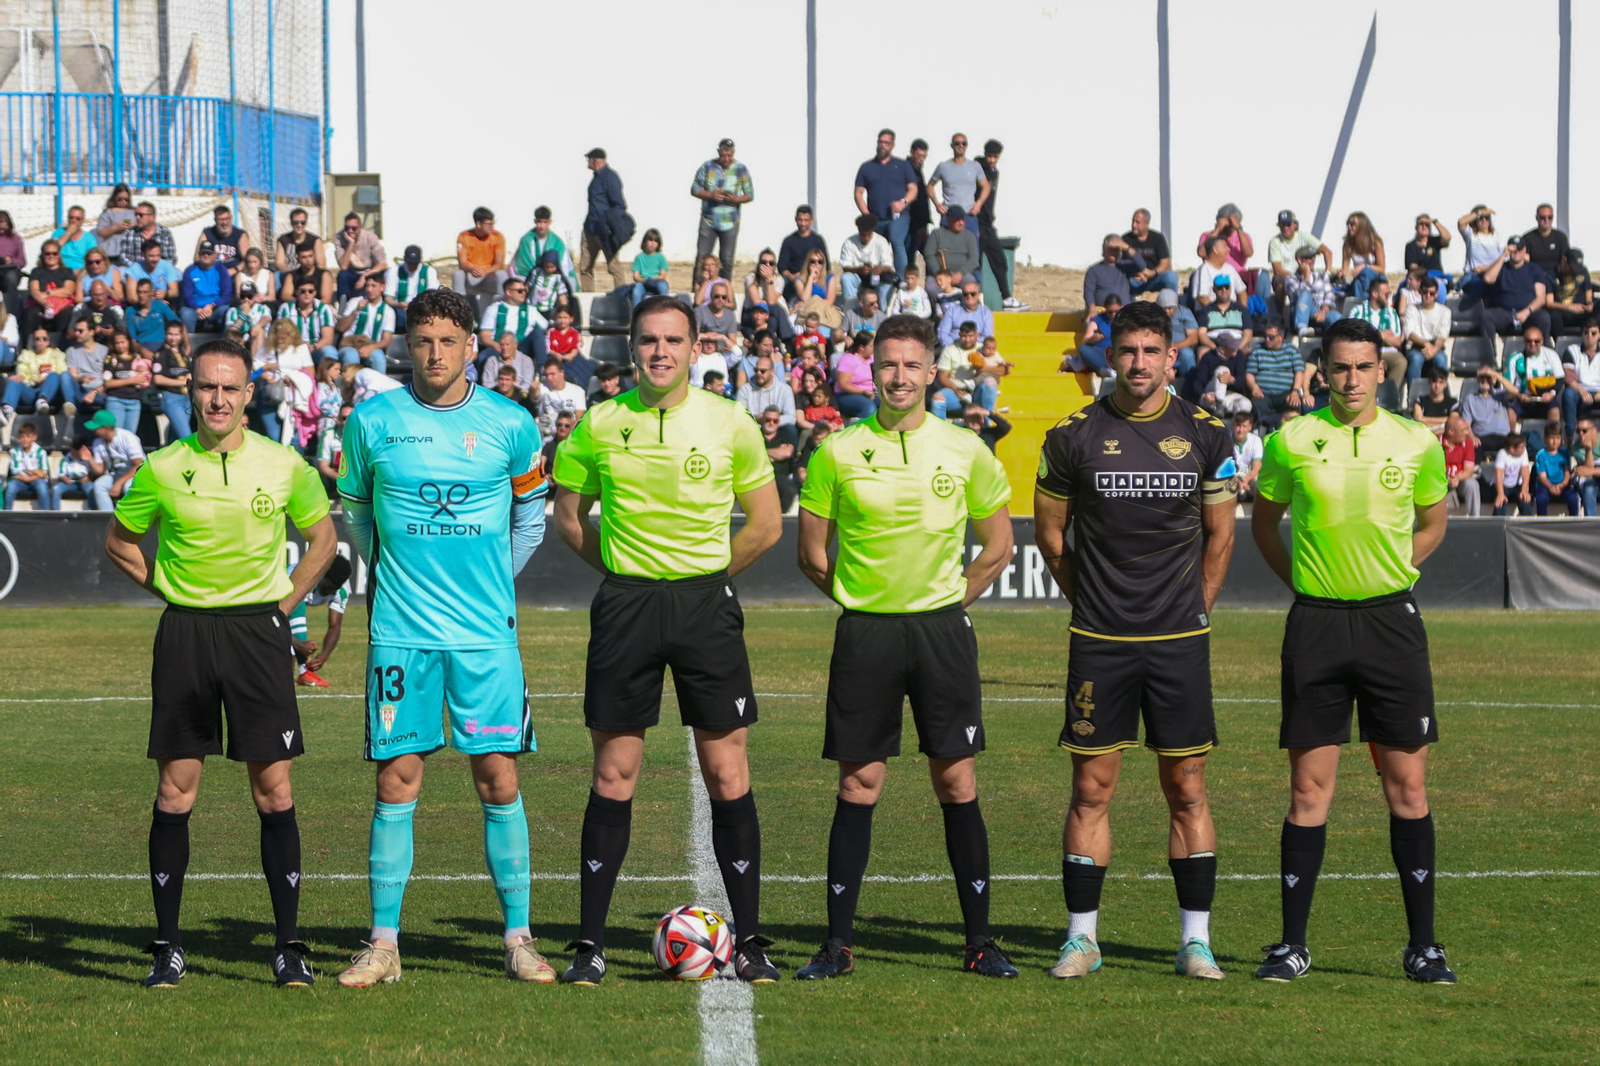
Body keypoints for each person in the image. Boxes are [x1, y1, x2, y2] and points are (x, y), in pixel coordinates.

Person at [549, 293, 783, 985]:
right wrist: (624, 574)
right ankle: (589, 946)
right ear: (631, 348)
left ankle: (750, 942)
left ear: (695, 347)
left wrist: (705, 579)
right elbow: (569, 518)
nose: (660, 351)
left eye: (673, 340)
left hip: (705, 606)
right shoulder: (598, 424)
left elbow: (766, 524)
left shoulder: (731, 422)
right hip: (626, 606)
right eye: (649, 340)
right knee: (613, 773)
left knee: (727, 773)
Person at [103, 336, 338, 988]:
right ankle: (167, 947)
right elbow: (120, 543)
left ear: (247, 393)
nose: (218, 399)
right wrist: (172, 589)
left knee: (275, 790)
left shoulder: (283, 464)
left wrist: (282, 607)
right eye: (207, 386)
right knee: (175, 790)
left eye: (230, 388)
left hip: (257, 636)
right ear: (190, 390)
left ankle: (288, 946)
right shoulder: (161, 468)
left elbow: (323, 540)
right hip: (186, 635)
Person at [334, 288, 553, 987]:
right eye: (424, 340)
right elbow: (358, 515)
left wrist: (492, 583)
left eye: (449, 341)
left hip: (486, 636)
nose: (435, 353)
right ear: (408, 345)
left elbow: (531, 518)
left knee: (498, 776)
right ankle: (383, 945)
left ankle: (518, 938)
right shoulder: (371, 421)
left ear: (471, 347)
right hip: (401, 631)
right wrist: (389, 574)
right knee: (396, 778)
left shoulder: (511, 423)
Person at [794, 313, 1017, 981]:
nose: (899, 376)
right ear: (873, 371)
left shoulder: (965, 448)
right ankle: (837, 945)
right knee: (858, 783)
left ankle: (979, 943)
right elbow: (812, 554)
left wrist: (947, 602)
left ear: (930, 372)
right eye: (888, 364)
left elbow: (997, 546)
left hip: (941, 632)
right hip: (866, 633)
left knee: (957, 780)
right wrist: (863, 600)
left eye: (911, 365)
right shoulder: (836, 452)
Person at [1033, 299, 1239, 982]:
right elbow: (1052, 535)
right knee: (1091, 787)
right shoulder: (1073, 436)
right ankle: (1082, 940)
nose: (1139, 363)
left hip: (1180, 642)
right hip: (1100, 640)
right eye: (1128, 350)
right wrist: (1093, 602)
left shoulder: (1207, 433)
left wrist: (1195, 610)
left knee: (1187, 785)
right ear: (1111, 356)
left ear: (1172, 357)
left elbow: (1220, 537)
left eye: (1152, 351)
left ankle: (1195, 944)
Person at [1249, 316, 1455, 985]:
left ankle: (1423, 948)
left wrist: (1395, 572)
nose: (1353, 379)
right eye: (1340, 367)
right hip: (1316, 626)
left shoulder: (1416, 442)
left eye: (1365, 367)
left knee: (1409, 787)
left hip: (1392, 625)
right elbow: (1264, 525)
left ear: (1381, 371)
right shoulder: (1291, 441)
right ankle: (1292, 946)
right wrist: (1303, 585)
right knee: (1308, 790)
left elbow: (1434, 522)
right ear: (1322, 372)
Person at [853, 129, 919, 275]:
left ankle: (903, 280)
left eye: (886, 143)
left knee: (896, 240)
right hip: (876, 218)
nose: (883, 145)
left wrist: (903, 202)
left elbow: (913, 189)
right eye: (881, 142)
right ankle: (877, 280)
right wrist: (866, 215)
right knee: (875, 248)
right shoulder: (866, 167)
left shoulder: (903, 165)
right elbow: (858, 193)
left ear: (892, 145)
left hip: (899, 216)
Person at [286, 554, 352, 687]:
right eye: (327, 587)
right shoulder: (301, 577)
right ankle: (303, 673)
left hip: (292, 602)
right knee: (287, 651)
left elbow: (335, 626)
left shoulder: (341, 592)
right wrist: (300, 644)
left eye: (333, 590)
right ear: (322, 574)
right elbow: (275, 619)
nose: (328, 592)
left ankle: (302, 674)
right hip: (274, 595)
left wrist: (324, 655)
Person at [691, 138, 753, 280]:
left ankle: (724, 290)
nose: (726, 159)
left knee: (726, 260)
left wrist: (735, 199)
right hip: (709, 220)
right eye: (723, 155)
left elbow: (750, 194)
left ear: (733, 153)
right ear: (718, 152)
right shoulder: (707, 167)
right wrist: (711, 195)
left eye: (729, 155)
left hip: (730, 221)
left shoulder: (741, 169)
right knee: (702, 258)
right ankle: (698, 289)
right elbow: (694, 189)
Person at [1347, 279, 1409, 401]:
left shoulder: (1391, 313)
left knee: (1401, 362)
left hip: (1388, 352)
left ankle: (1388, 397)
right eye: (1386, 294)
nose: (1389, 297)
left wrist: (1376, 336)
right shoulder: (1357, 311)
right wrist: (1381, 335)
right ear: (1375, 294)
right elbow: (1353, 337)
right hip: (1364, 352)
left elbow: (1397, 342)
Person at [580, 148, 632, 293]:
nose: (588, 162)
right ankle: (588, 299)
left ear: (594, 160)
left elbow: (619, 205)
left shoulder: (610, 177)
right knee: (585, 267)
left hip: (604, 231)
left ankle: (621, 296)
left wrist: (609, 225)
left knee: (613, 267)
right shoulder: (596, 178)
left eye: (589, 159)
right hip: (590, 228)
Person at [2, 326, 75, 424]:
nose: (41, 341)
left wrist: (45, 377)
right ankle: (7, 410)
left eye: (44, 339)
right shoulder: (25, 354)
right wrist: (32, 379)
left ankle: (42, 400)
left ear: (48, 340)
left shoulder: (57, 354)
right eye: (37, 339)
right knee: (14, 380)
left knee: (54, 375)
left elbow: (62, 371)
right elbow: (22, 374)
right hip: (32, 388)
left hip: (51, 392)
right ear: (33, 341)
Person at [928, 133, 991, 242]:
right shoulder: (943, 166)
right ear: (952, 145)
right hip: (949, 216)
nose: (960, 146)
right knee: (947, 249)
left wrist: (979, 204)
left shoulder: (975, 166)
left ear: (967, 146)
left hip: (969, 216)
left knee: (971, 250)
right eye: (957, 143)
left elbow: (986, 186)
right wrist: (937, 204)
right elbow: (929, 186)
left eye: (963, 143)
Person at [1246, 319, 1305, 427]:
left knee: (1295, 404)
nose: (1267, 339)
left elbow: (1299, 372)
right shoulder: (1257, 350)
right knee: (1257, 404)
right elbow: (1249, 373)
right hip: (1263, 393)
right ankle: (1263, 432)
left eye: (1271, 337)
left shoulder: (1292, 350)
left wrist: (1295, 391)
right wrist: (1254, 387)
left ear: (1281, 336)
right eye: (1265, 336)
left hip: (1286, 393)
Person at [336, 273, 395, 374]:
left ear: (382, 287)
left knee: (379, 358)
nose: (369, 289)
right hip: (349, 345)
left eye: (373, 286)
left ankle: (380, 384)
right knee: (351, 356)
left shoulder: (388, 311)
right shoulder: (354, 302)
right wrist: (356, 311)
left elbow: (386, 340)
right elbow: (341, 328)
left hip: (372, 345)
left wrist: (371, 347)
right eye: (367, 286)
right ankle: (351, 383)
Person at [24, 240, 81, 341]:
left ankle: (61, 344)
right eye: (48, 253)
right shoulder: (37, 271)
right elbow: (34, 291)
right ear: (43, 255)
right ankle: (27, 345)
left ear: (59, 255)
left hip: (61, 307)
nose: (51, 256)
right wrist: (44, 303)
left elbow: (68, 290)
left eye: (55, 253)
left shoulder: (67, 271)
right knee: (31, 313)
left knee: (68, 313)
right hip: (40, 305)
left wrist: (48, 293)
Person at [1403, 278, 1452, 394]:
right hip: (1416, 347)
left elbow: (1443, 334)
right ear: (1420, 292)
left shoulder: (1445, 311)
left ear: (1437, 294)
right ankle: (1413, 396)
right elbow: (1408, 332)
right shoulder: (1412, 309)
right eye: (1425, 292)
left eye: (1432, 293)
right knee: (1416, 359)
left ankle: (1445, 397)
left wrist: (1434, 349)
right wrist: (1426, 344)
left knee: (1441, 359)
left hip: (1436, 347)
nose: (1428, 295)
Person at [277, 280, 340, 368]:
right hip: (293, 348)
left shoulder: (324, 309)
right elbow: (281, 333)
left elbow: (328, 338)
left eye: (310, 291)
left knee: (330, 351)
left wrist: (314, 347)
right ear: (296, 292)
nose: (307, 294)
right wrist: (299, 348)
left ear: (315, 293)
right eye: (303, 291)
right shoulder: (286, 308)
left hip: (316, 348)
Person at [455, 207, 508, 309]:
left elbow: (499, 264)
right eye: (489, 224)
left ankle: (502, 309)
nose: (492, 227)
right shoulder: (464, 236)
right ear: (479, 224)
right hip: (471, 276)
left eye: (493, 223)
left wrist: (486, 271)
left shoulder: (498, 236)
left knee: (502, 274)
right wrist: (471, 269)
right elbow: (462, 263)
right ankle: (459, 308)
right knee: (458, 274)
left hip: (488, 276)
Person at [921, 207, 981, 295]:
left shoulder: (969, 236)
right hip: (939, 273)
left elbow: (974, 259)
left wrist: (960, 273)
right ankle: (938, 304)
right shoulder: (936, 234)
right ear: (948, 219)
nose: (961, 223)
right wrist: (938, 274)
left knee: (970, 286)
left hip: (962, 274)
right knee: (931, 288)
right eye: (957, 220)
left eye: (963, 220)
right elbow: (929, 254)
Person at [512, 206, 578, 287]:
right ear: (535, 221)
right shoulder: (526, 240)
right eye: (539, 222)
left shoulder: (558, 243)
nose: (541, 225)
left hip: (552, 280)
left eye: (544, 222)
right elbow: (521, 266)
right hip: (529, 280)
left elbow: (565, 267)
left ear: (549, 222)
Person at [839, 213, 896, 305]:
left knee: (888, 283)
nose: (865, 237)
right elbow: (845, 266)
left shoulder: (881, 242)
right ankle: (851, 308)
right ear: (859, 230)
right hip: (857, 277)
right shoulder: (849, 242)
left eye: (868, 235)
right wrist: (859, 269)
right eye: (863, 235)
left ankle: (882, 308)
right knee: (846, 278)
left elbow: (888, 265)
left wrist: (880, 269)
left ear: (872, 231)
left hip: (877, 278)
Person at [1284, 245, 1341, 336]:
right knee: (1305, 294)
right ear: (1300, 260)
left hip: (1321, 313)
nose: (1313, 260)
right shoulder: (1290, 279)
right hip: (1301, 315)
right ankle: (1302, 327)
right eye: (1309, 258)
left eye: (1313, 257)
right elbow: (1299, 298)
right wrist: (1307, 276)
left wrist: (1323, 311)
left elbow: (1329, 295)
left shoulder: (1322, 275)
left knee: (1336, 316)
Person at [1267, 211, 1333, 288]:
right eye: (1282, 225)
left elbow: (1327, 252)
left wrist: (1327, 273)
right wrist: (1295, 278)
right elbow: (1277, 270)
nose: (1285, 227)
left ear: (1295, 225)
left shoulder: (1304, 236)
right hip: (1285, 277)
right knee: (1281, 282)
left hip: (1304, 273)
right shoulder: (1275, 242)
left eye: (1288, 224)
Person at [179, 242, 234, 335]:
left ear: (215, 255)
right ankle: (189, 342)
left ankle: (224, 341)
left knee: (225, 310)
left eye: (209, 253)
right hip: (195, 309)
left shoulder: (221, 270)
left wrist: (211, 306)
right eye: (203, 253)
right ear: (199, 254)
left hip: (215, 307)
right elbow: (187, 296)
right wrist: (198, 309)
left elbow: (226, 295)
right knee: (185, 314)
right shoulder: (190, 270)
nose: (206, 255)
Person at [1455, 205, 1504, 307]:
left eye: (1486, 217)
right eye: (1480, 218)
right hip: (1475, 276)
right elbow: (1461, 223)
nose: (1484, 220)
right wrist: (1479, 212)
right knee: (1480, 287)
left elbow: (1504, 258)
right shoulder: (1471, 235)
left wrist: (1485, 268)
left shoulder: (1497, 237)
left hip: (1494, 274)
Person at [1123, 208, 1179, 296]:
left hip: (1154, 278)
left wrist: (1152, 272)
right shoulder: (1126, 239)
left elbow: (1165, 262)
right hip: (1134, 280)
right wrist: (1135, 274)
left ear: (1147, 223)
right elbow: (1121, 263)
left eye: (1137, 222)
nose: (1134, 225)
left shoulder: (1158, 238)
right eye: (1133, 221)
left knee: (1171, 277)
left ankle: (1171, 301)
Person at [779, 206, 829, 302]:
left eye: (806, 220)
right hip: (794, 278)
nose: (803, 223)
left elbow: (826, 265)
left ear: (811, 220)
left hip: (815, 276)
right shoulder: (789, 241)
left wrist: (814, 275)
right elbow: (782, 267)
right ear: (796, 219)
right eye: (800, 220)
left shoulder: (818, 240)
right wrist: (792, 277)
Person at [383, 246, 438, 333]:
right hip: (400, 309)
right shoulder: (394, 271)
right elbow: (388, 298)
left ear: (421, 260)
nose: (412, 266)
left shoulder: (429, 272)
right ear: (404, 259)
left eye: (415, 263)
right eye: (410, 263)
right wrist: (398, 305)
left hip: (422, 308)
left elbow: (433, 296)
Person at [1561, 318, 1600, 439]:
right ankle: (1570, 435)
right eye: (1586, 333)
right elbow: (1568, 377)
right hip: (1579, 391)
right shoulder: (1572, 350)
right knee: (1568, 394)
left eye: (1593, 333)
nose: (1589, 336)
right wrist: (1582, 391)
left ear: (1599, 334)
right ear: (1582, 334)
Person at [334, 213, 387, 301]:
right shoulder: (339, 238)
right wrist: (351, 243)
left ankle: (383, 301)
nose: (350, 231)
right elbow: (343, 266)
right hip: (352, 273)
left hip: (370, 272)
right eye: (347, 228)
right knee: (343, 275)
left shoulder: (370, 237)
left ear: (361, 228)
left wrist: (365, 276)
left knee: (385, 274)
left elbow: (383, 264)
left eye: (354, 228)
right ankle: (343, 303)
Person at [737, 353, 796, 426]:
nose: (758, 373)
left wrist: (770, 420)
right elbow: (739, 415)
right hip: (752, 427)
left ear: (772, 372)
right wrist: (755, 418)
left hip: (777, 427)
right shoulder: (744, 390)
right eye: (756, 370)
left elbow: (791, 417)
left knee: (790, 429)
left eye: (762, 371)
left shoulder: (785, 389)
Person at [533, 357, 586, 438]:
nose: (549, 378)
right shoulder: (542, 388)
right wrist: (533, 388)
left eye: (552, 374)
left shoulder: (577, 391)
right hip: (544, 434)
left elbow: (579, 417)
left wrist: (564, 434)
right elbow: (534, 395)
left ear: (562, 373)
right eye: (547, 375)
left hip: (567, 435)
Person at [1532, 424, 1579, 516]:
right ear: (1545, 439)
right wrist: (1550, 486)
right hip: (1546, 485)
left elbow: (1567, 472)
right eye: (1552, 438)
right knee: (1541, 499)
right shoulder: (1541, 455)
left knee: (1573, 498)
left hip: (1562, 485)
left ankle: (1573, 521)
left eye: (1558, 438)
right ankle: (1542, 521)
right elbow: (1542, 476)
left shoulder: (1565, 453)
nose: (1555, 442)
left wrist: (1563, 484)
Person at [1339, 212, 1386, 301]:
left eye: (1352, 224)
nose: (1349, 227)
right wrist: (1341, 273)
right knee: (1357, 282)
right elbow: (1345, 268)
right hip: (1360, 279)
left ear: (1361, 225)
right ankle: (1363, 303)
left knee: (1365, 272)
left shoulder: (1375, 243)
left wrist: (1364, 266)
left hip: (1376, 279)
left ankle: (1364, 302)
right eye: (1348, 224)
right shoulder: (1348, 245)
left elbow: (1381, 268)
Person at [1440, 413, 1481, 516]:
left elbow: (1469, 470)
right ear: (1451, 431)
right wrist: (1446, 478)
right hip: (1441, 480)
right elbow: (1431, 469)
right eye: (1463, 430)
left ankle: (1475, 519)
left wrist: (1457, 478)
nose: (1467, 433)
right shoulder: (1435, 442)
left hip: (1460, 480)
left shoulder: (1468, 443)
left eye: (1467, 429)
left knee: (1472, 484)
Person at [4, 420, 51, 510]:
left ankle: (44, 514)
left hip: (36, 480)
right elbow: (15, 471)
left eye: (28, 436)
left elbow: (43, 473)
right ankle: (7, 514)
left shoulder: (41, 452)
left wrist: (28, 478)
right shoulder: (14, 452)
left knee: (43, 489)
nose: (25, 440)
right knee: (10, 489)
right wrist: (35, 471)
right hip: (20, 480)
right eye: (22, 437)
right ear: (19, 437)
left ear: (34, 437)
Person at [1546, 249, 1594, 333]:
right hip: (1562, 310)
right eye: (1572, 267)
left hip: (1581, 309)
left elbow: (1588, 290)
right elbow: (1549, 302)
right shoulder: (1551, 275)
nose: (1573, 271)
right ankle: (1560, 339)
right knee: (1554, 315)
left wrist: (1589, 302)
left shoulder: (1582, 271)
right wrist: (1569, 308)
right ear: (1564, 260)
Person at [937, 278, 995, 348]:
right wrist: (953, 346)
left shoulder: (986, 313)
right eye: (965, 294)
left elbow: (987, 336)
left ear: (979, 295)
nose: (969, 296)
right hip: (954, 347)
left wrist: (970, 343)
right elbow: (942, 333)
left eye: (973, 294)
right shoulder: (952, 310)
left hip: (977, 349)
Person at [1196, 204, 1253, 274]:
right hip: (1214, 274)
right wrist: (1218, 229)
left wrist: (1238, 228)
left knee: (1260, 274)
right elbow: (1201, 253)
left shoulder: (1243, 236)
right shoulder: (1207, 235)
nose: (1230, 228)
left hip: (1238, 274)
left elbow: (1248, 253)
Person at [1189, 236, 1246, 307]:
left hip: (1231, 311)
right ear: (1215, 250)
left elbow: (1242, 291)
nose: (1228, 249)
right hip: (1211, 311)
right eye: (1225, 246)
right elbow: (1203, 298)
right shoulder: (1204, 270)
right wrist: (1218, 312)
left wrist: (1242, 311)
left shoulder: (1230, 268)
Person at [120, 202, 178, 268]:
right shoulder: (130, 233)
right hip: (135, 270)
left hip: (160, 269)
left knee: (177, 272)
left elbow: (171, 258)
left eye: (141, 215)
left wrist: (158, 269)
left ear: (152, 217)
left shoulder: (164, 233)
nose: (137, 217)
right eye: (136, 214)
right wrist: (137, 269)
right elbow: (123, 257)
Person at [198, 204, 251, 274]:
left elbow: (248, 259)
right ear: (215, 220)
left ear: (231, 218)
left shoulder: (240, 235)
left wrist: (233, 270)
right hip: (212, 274)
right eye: (221, 220)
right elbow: (198, 258)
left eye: (227, 219)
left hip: (234, 275)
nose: (225, 222)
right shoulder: (207, 233)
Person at [1404, 214, 1452, 290]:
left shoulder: (1434, 241)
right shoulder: (1410, 246)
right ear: (1416, 227)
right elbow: (1413, 267)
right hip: (1419, 279)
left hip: (1437, 278)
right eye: (1421, 224)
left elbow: (1447, 237)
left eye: (1427, 225)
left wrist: (1435, 222)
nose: (1424, 227)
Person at [1522, 203, 1569, 277]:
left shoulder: (1560, 237)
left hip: (1556, 275)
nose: (1546, 220)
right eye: (1542, 217)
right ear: (1537, 218)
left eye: (1549, 217)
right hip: (1534, 275)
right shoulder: (1528, 238)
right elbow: (1524, 261)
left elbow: (1565, 260)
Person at [1492, 431, 1534, 515]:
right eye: (1521, 447)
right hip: (1502, 485)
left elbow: (1525, 472)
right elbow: (1498, 475)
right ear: (1512, 448)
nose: (1524, 448)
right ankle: (1498, 522)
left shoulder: (1523, 452)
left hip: (1516, 485)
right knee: (1501, 502)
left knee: (1525, 500)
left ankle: (1528, 521)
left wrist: (1524, 490)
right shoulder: (1502, 454)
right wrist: (1500, 494)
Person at [226, 282, 272, 357]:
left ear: (256, 296)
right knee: (232, 334)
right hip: (240, 343)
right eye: (243, 296)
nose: (246, 299)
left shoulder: (263, 308)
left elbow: (266, 318)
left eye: (249, 296)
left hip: (259, 342)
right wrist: (243, 314)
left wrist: (258, 326)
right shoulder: (233, 311)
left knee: (259, 330)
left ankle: (255, 361)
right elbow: (231, 332)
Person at [94, 184, 136, 264]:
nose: (123, 202)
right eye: (120, 199)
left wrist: (133, 225)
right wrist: (116, 227)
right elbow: (101, 232)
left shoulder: (133, 211)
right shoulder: (108, 213)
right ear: (114, 198)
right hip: (111, 251)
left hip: (129, 250)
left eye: (126, 199)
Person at [274, 207, 324, 274]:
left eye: (302, 222)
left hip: (309, 274)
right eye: (296, 222)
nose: (299, 225)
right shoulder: (283, 240)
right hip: (289, 273)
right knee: (277, 275)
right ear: (291, 223)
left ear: (306, 223)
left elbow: (321, 265)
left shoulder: (315, 240)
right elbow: (279, 263)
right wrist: (293, 274)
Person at [50, 204, 99, 271]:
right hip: (59, 269)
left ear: (82, 221)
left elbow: (92, 260)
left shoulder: (89, 238)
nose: (74, 221)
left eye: (78, 219)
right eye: (71, 218)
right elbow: (52, 250)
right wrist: (68, 233)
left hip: (80, 271)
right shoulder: (58, 232)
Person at [630, 228, 670, 308]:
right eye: (650, 240)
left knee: (663, 287)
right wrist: (645, 280)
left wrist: (653, 279)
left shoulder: (661, 257)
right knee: (636, 291)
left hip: (657, 281)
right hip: (643, 282)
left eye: (655, 241)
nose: (652, 243)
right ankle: (636, 312)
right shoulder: (639, 257)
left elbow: (663, 275)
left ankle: (665, 309)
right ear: (645, 242)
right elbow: (635, 276)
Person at [1231, 411, 1263, 501]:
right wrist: (1237, 480)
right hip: (1232, 477)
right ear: (1233, 425)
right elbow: (1225, 467)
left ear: (1250, 427)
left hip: (1250, 476)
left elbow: (1256, 468)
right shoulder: (1226, 439)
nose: (1240, 430)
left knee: (1259, 484)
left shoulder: (1256, 440)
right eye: (1238, 425)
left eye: (1244, 426)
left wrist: (1245, 480)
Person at [1411, 366, 1454, 431]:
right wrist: (1444, 422)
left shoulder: (1453, 403)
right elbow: (1418, 418)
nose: (1437, 386)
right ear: (1429, 382)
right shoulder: (1420, 401)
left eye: (1441, 382)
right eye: (1434, 381)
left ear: (1445, 384)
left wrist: (1424, 419)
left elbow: (1453, 421)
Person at [1572, 418, 1599, 515]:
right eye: (1578, 431)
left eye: (1584, 431)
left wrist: (1592, 471)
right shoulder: (1576, 448)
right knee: (1588, 488)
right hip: (1594, 482)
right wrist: (1588, 450)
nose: (1581, 434)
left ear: (1594, 430)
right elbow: (1587, 473)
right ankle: (1591, 522)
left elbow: (1589, 471)